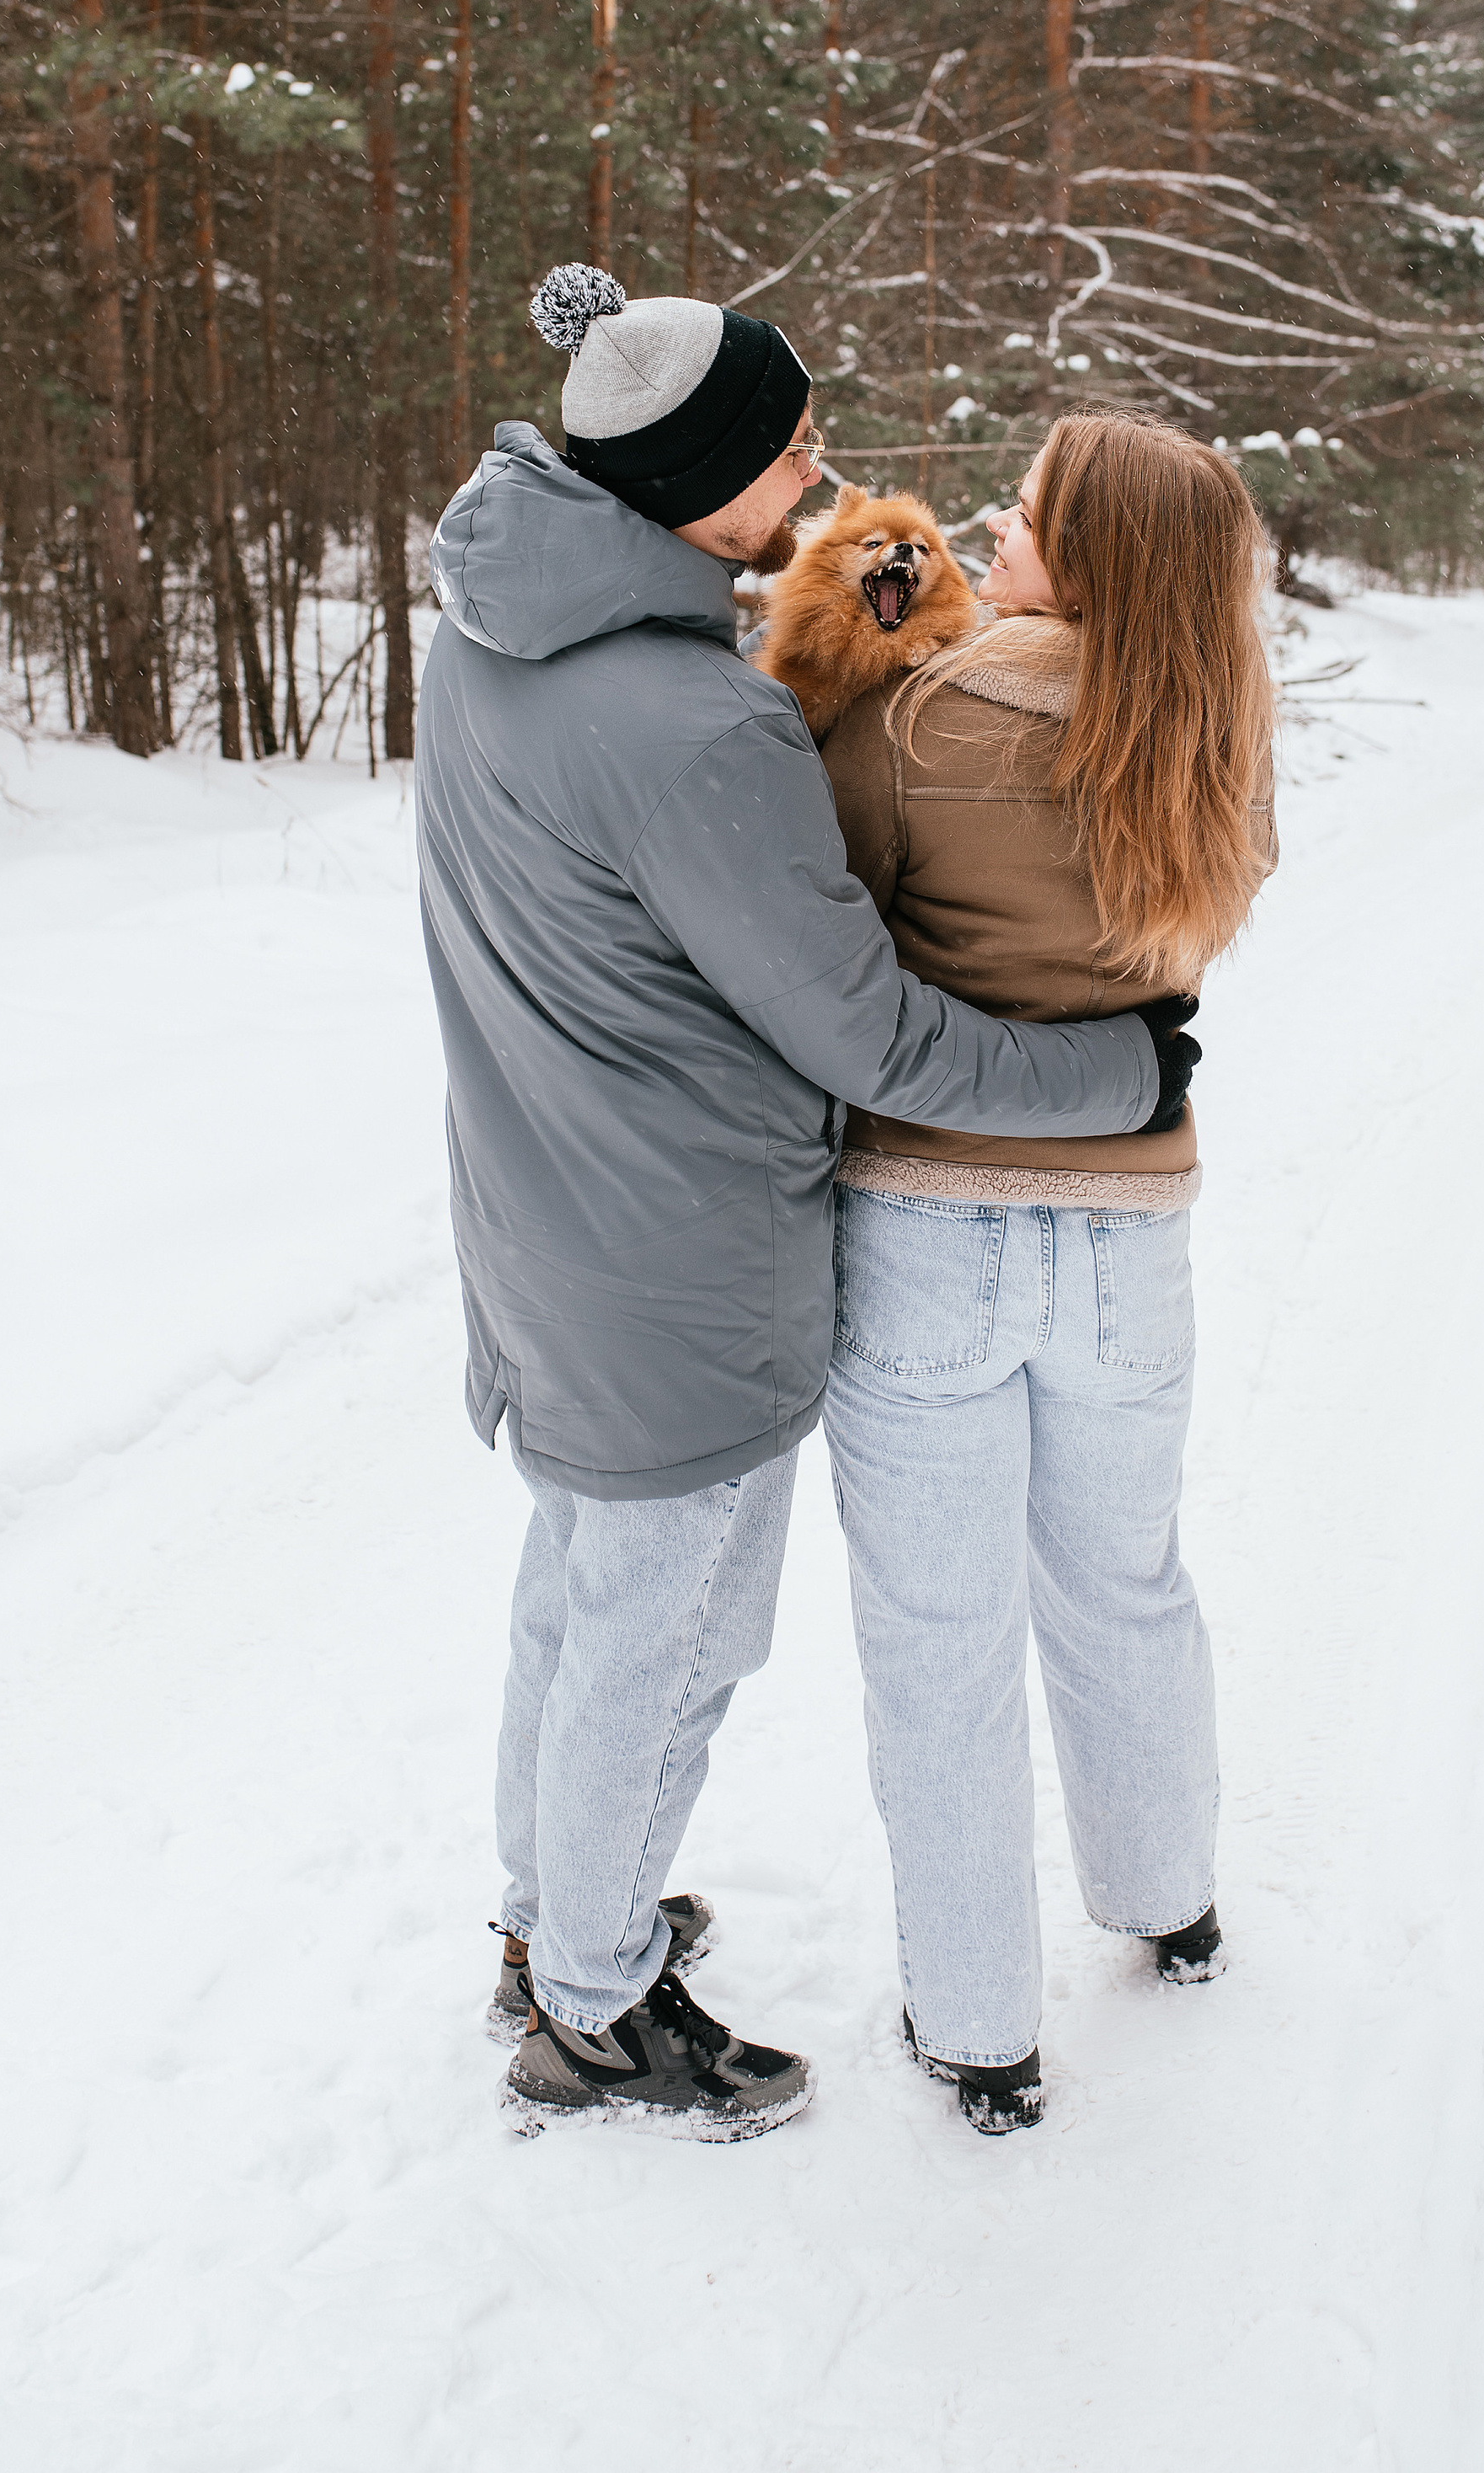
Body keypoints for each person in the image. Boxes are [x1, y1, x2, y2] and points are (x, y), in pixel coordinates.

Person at [414, 275, 1203, 2142]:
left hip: (534, 1210)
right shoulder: (696, 724)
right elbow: (861, 1027)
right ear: (700, 491)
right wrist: (1117, 1079)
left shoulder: (489, 629)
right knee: (665, 1638)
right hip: (680, 1254)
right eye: (788, 455)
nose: (822, 472)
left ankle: (553, 1918)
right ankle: (595, 2012)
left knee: (575, 1594)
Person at [819, 414, 1278, 2135]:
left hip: (926, 1224)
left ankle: (978, 2025)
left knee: (937, 1642)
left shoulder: (919, 710)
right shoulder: (1215, 734)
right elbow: (1185, 940)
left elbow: (836, 916)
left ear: (1083, 555)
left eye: (1034, 507)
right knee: (1124, 1585)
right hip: (1127, 1235)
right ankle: (1168, 1900)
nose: (997, 518)